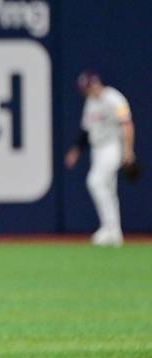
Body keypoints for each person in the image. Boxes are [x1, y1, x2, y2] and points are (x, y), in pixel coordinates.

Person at [65, 71, 135, 246]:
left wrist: (128, 151)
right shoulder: (91, 102)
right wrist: (76, 150)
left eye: (88, 87)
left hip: (112, 146)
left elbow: (127, 124)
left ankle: (109, 227)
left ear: (95, 84)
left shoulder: (114, 98)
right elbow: (86, 130)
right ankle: (114, 232)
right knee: (108, 188)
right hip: (97, 148)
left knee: (95, 182)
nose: (87, 91)